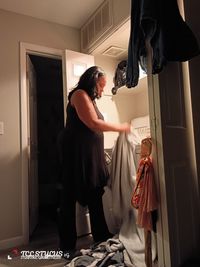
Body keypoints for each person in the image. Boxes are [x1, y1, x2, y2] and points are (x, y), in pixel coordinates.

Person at [57, 66, 131, 258]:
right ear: (92, 81)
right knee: (69, 198)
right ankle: (66, 246)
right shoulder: (80, 94)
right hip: (76, 155)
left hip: (90, 155)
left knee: (95, 194)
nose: (102, 90)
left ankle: (100, 235)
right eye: (101, 85)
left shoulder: (90, 99)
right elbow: (92, 123)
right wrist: (121, 127)